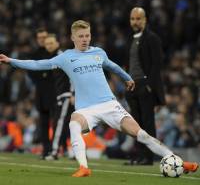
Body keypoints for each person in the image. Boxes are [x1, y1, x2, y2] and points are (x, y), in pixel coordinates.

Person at [0, 20, 198, 177]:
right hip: (87, 109)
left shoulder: (98, 52)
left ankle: (178, 161)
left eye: (87, 35)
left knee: (142, 135)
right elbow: (37, 64)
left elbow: (112, 66)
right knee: (74, 123)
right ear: (73, 37)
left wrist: (127, 78)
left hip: (110, 104)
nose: (85, 39)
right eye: (81, 36)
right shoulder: (66, 57)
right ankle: (84, 167)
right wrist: (11, 61)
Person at [124, 7, 166, 165]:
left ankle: (148, 157)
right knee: (135, 124)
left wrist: (149, 86)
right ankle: (138, 155)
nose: (135, 22)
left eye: (138, 18)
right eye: (132, 19)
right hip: (132, 85)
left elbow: (157, 64)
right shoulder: (131, 38)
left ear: (145, 20)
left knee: (147, 123)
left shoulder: (152, 38)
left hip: (144, 85)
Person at [43, 34, 74, 160]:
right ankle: (68, 150)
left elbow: (73, 74)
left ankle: (55, 151)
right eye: (47, 44)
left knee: (60, 123)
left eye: (51, 43)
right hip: (60, 96)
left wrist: (72, 93)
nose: (49, 46)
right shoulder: (53, 58)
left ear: (57, 43)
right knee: (61, 124)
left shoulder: (62, 56)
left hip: (66, 95)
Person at [27, 28, 56, 159]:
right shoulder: (34, 54)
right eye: (40, 38)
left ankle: (57, 149)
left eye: (44, 37)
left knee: (56, 122)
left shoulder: (54, 53)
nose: (42, 40)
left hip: (54, 93)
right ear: (37, 39)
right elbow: (31, 73)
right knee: (43, 124)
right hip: (40, 93)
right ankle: (46, 150)